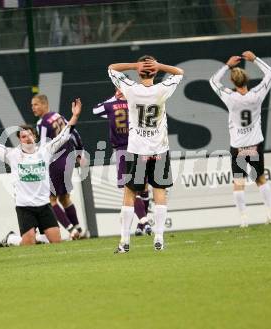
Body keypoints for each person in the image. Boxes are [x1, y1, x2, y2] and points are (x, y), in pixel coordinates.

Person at [0, 98, 83, 246]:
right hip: (24, 207)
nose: (27, 138)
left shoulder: (45, 150)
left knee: (56, 242)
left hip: (44, 205)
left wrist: (75, 116)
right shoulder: (12, 155)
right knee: (27, 244)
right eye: (23, 136)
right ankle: (11, 239)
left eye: (29, 135)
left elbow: (64, 135)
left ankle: (40, 238)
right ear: (19, 140)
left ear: (35, 136)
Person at [108, 55, 184, 253]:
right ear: (155, 71)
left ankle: (124, 242)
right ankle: (158, 238)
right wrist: (160, 65)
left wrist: (133, 65)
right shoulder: (162, 90)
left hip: (137, 150)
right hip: (159, 149)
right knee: (159, 191)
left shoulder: (130, 89)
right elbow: (179, 72)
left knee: (130, 193)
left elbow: (112, 67)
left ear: (139, 72)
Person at [209, 50, 271, 227]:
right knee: (260, 178)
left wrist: (227, 65)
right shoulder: (257, 95)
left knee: (238, 183)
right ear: (246, 80)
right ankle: (270, 214)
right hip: (255, 144)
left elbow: (213, 81)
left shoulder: (230, 98)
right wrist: (255, 60)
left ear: (232, 81)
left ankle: (244, 219)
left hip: (238, 146)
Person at [93, 88, 152, 236]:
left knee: (132, 189)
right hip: (139, 148)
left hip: (123, 150)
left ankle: (143, 221)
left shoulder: (111, 105)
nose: (119, 92)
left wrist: (114, 98)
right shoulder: (136, 103)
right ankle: (143, 222)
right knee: (142, 188)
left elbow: (95, 110)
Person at [32, 94, 89, 240]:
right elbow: (73, 132)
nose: (33, 108)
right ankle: (78, 228)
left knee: (51, 199)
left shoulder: (42, 123)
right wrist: (79, 152)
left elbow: (44, 146)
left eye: (36, 104)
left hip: (56, 161)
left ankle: (71, 231)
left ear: (45, 104)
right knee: (64, 197)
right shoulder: (58, 116)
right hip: (69, 159)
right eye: (32, 105)